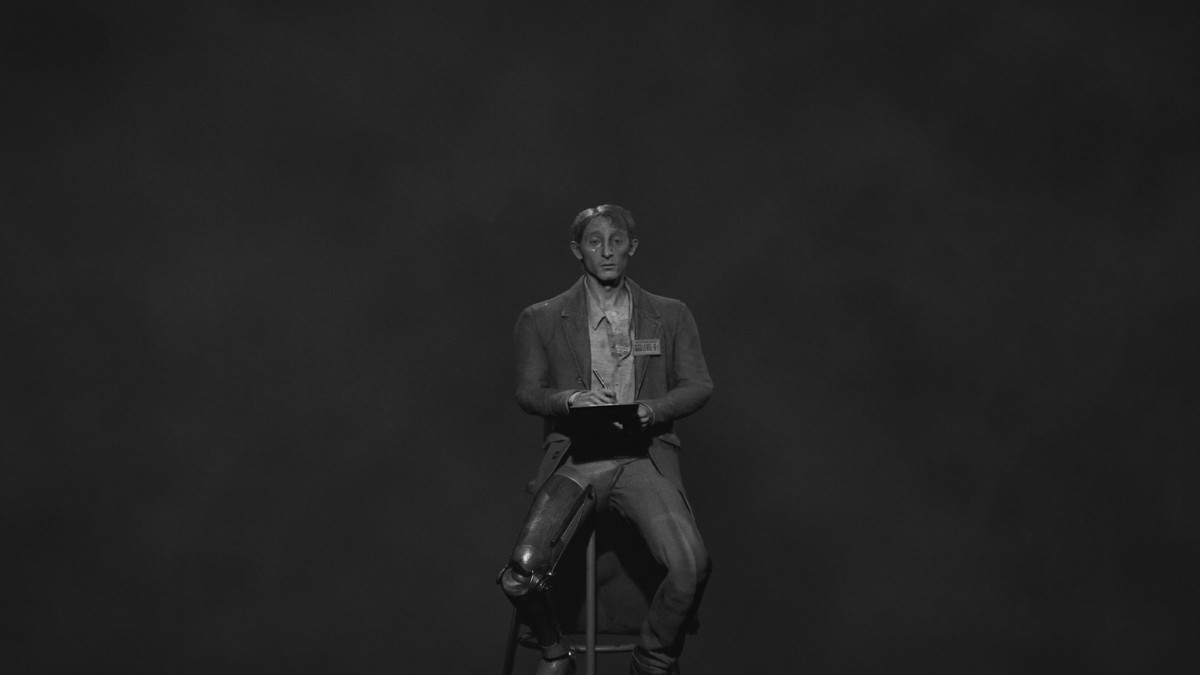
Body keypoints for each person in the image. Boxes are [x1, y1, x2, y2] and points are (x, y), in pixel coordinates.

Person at [497, 205, 713, 675]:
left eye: (617, 241)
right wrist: (570, 399)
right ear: (578, 250)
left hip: (642, 459)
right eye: (596, 242)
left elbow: (699, 385)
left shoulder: (670, 315)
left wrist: (652, 409)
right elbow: (528, 393)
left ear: (632, 248)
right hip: (577, 460)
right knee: (523, 569)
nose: (607, 251)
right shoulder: (543, 317)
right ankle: (556, 652)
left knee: (690, 565)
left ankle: (652, 658)